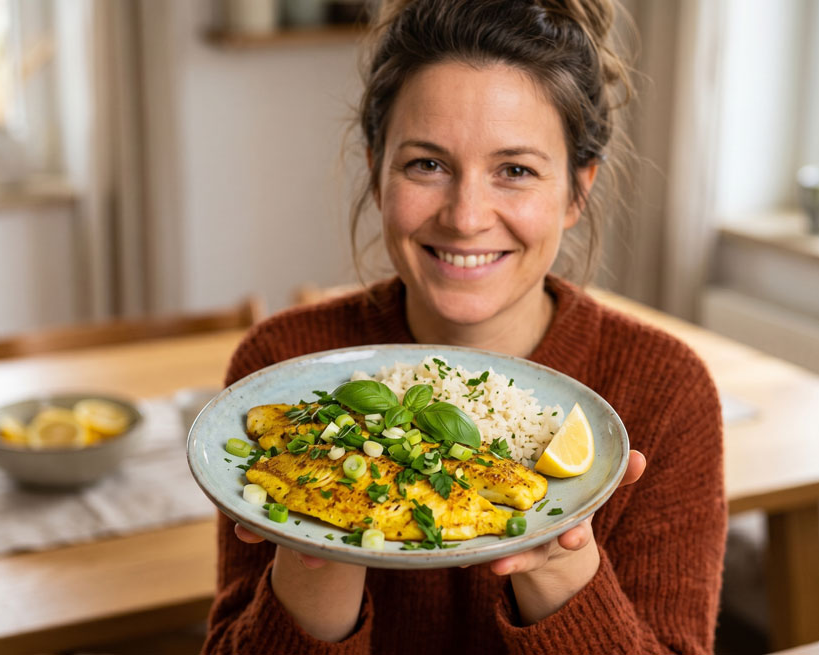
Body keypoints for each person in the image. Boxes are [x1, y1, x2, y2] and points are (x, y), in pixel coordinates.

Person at [202, 1, 726, 652]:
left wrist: (560, 566)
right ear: (376, 169)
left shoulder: (665, 391)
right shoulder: (279, 367)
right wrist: (316, 549)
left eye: (515, 170)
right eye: (427, 164)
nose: (467, 215)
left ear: (576, 191)